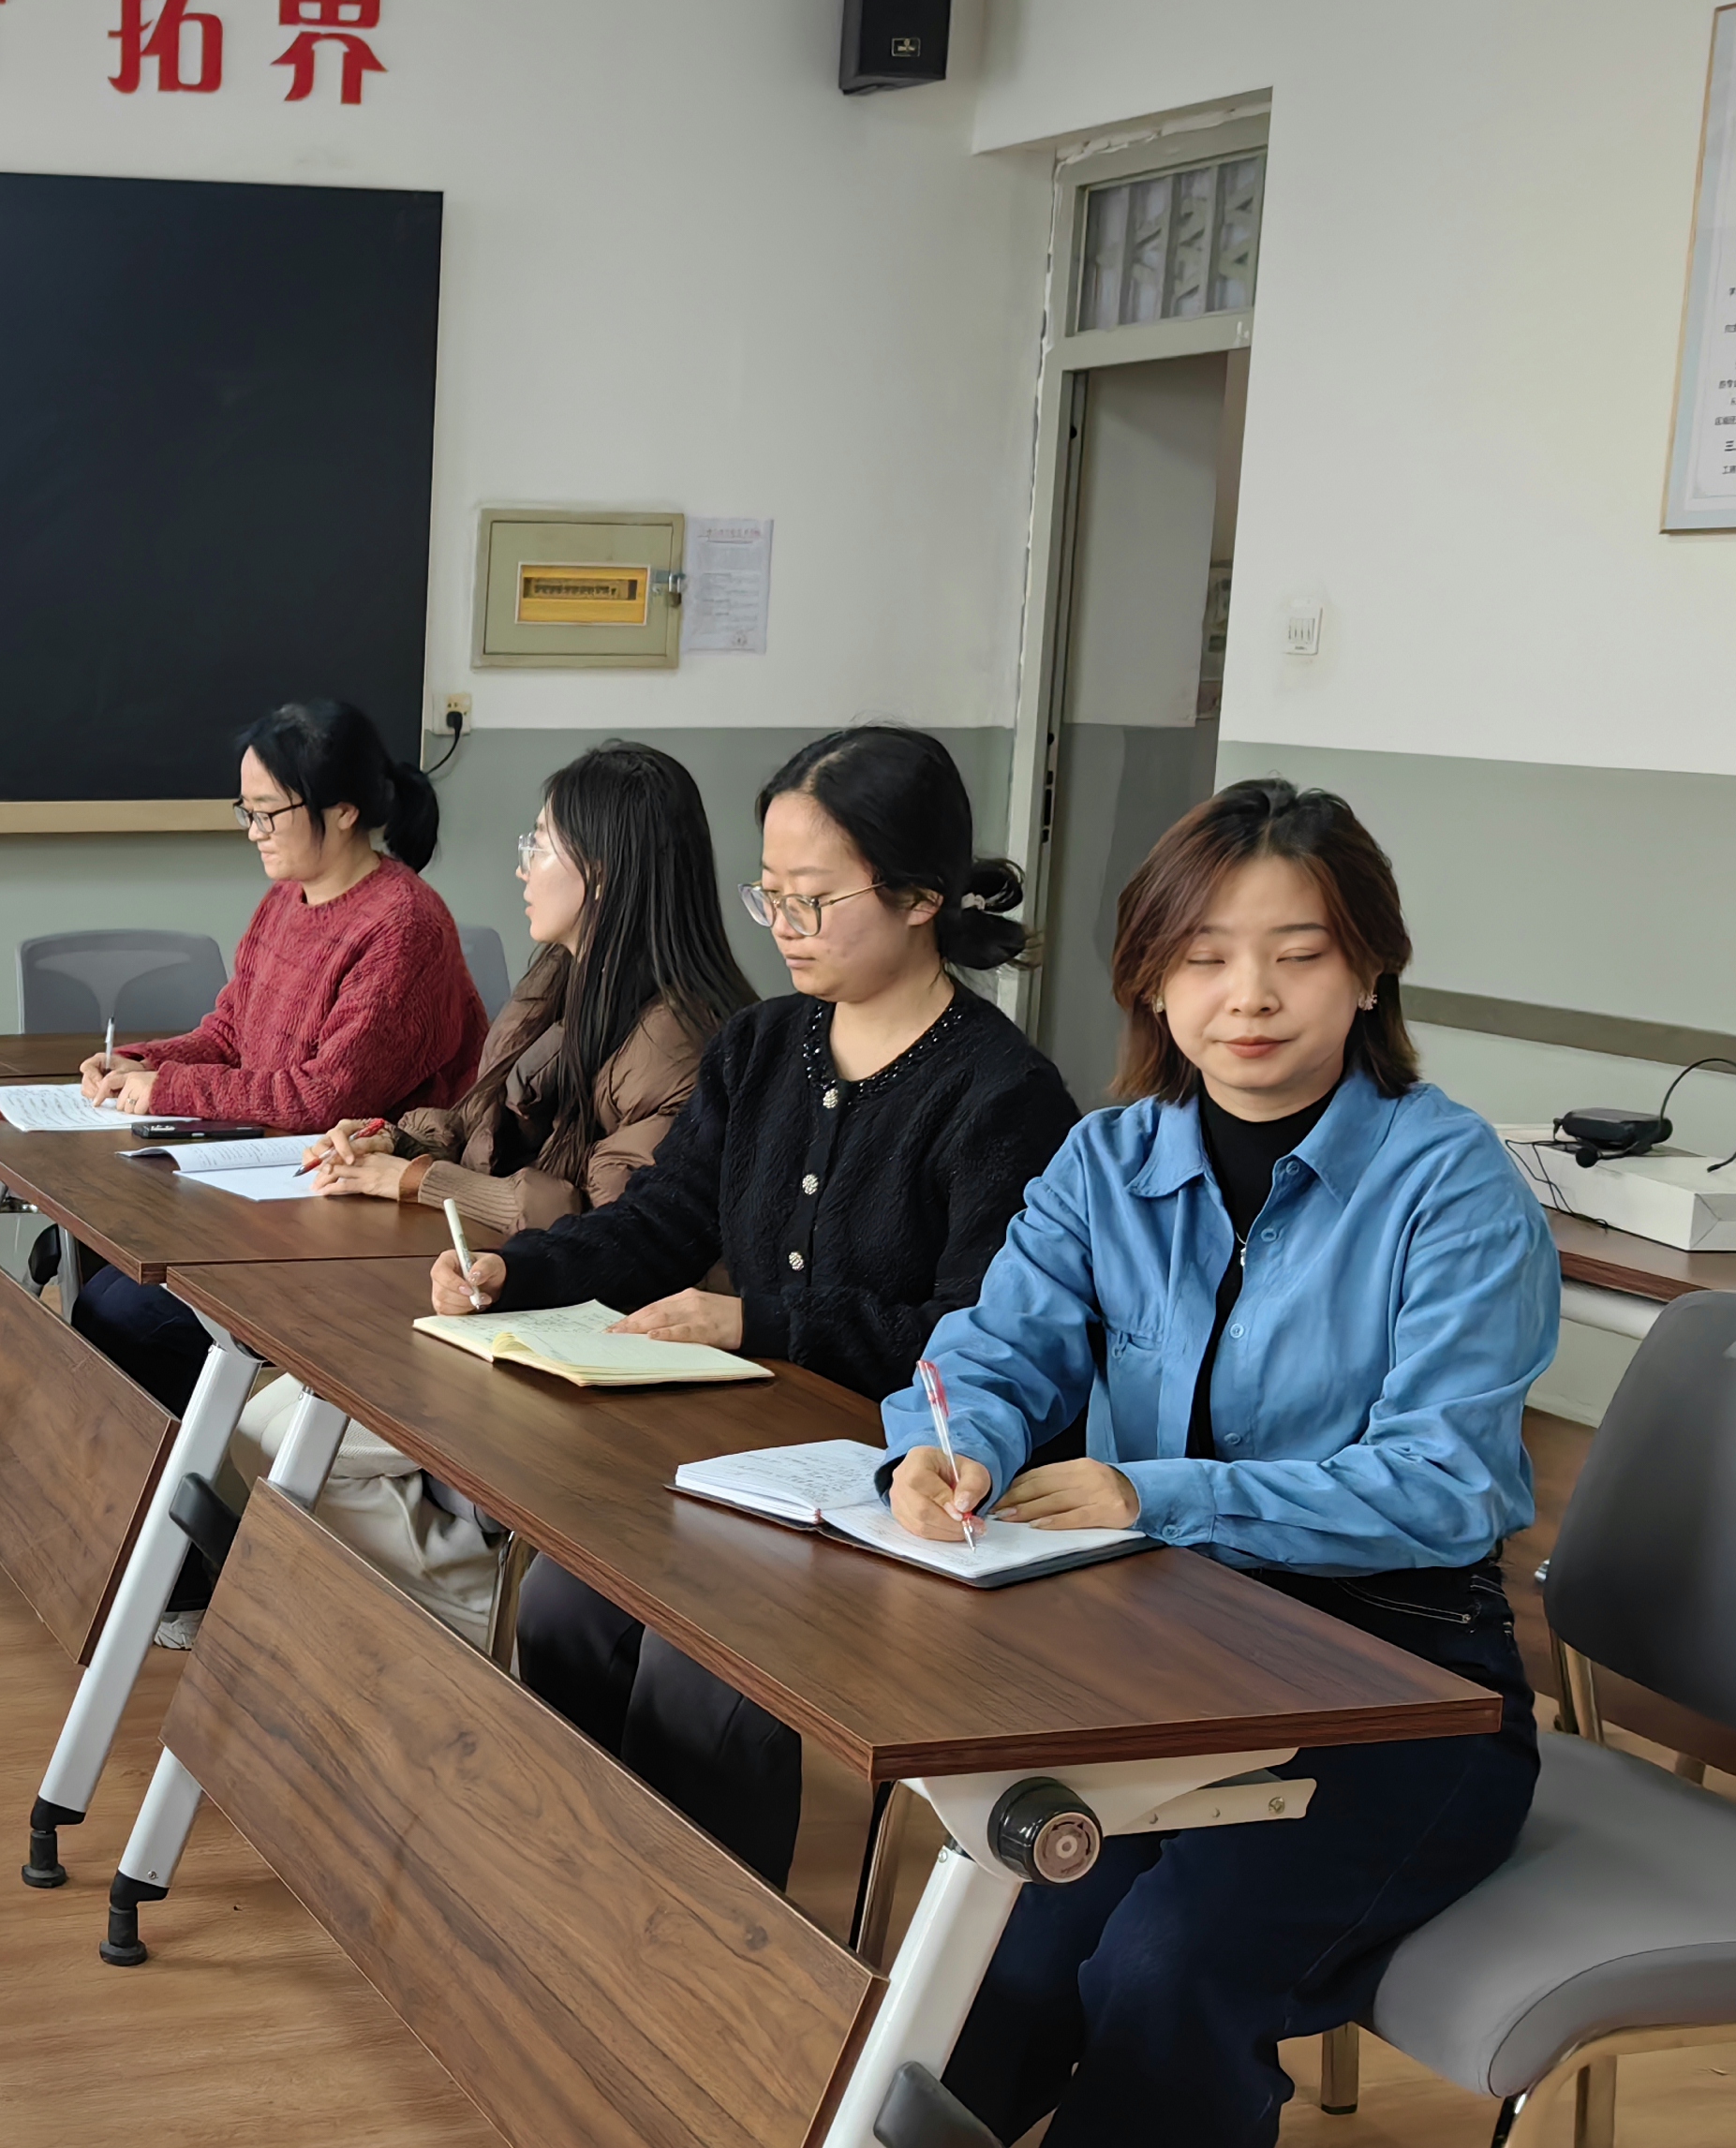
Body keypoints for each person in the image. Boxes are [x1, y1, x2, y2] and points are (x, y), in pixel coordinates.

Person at [836, 780, 1552, 2148]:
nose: (1251, 996)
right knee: (1018, 1929)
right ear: (1151, 977)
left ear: (1368, 970)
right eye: (1207, 956)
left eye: (1298, 953)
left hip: (1409, 1689)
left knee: (1171, 1964)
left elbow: (1451, 1481)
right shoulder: (1110, 1157)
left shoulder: (1448, 1179)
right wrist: (950, 1444)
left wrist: (1163, 1493)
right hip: (1177, 1662)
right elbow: (990, 1347)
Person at [435, 725, 1076, 1880]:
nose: (782, 926)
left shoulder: (1002, 1094)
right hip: (743, 1457)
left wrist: (759, 1323)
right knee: (566, 1607)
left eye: (813, 900)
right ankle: (571, 1889)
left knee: (702, 1677)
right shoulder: (762, 1046)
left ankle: (704, 1947)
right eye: (769, 895)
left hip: (898, 1481)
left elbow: (975, 1338)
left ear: (919, 897)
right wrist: (515, 1274)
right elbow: (661, 1223)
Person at [241, 741, 753, 1636]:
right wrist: (394, 1136)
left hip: (603, 1337)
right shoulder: (568, 977)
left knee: (282, 1440)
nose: (522, 865)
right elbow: (493, 1122)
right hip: (523, 1298)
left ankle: (492, 1623)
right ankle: (477, 1606)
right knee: (262, 1430)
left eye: (539, 844)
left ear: (602, 870)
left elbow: (610, 1224)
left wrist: (419, 1179)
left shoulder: (678, 1036)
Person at [72, 697, 483, 1412]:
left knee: (122, 1314)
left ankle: (189, 1480)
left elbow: (326, 1097)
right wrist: (140, 1063)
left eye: (268, 812)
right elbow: (230, 1034)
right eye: (247, 811)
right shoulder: (286, 899)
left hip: (359, 1212)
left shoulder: (403, 925)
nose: (253, 831)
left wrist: (172, 1088)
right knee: (106, 1276)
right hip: (269, 1184)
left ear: (343, 810)